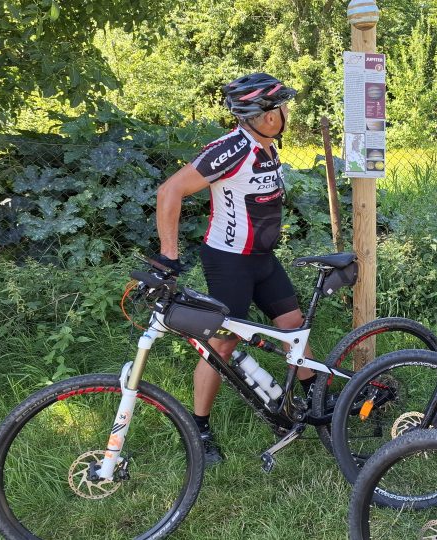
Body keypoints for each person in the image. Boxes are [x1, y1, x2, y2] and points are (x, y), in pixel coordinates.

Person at [154, 73, 319, 465]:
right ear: (264, 116)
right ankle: (199, 428)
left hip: (262, 260)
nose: (287, 112)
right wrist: (168, 256)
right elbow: (169, 191)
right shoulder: (230, 149)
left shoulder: (267, 147)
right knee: (223, 344)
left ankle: (315, 401)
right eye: (282, 106)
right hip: (229, 261)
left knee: (293, 325)